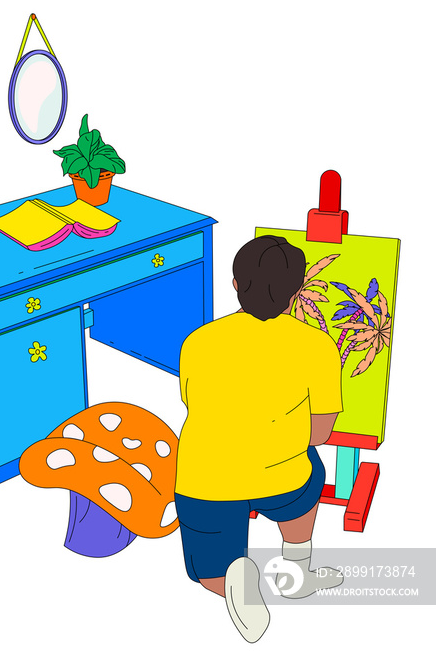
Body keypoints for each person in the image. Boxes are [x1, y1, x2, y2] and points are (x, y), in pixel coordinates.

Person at [174, 235, 344, 643]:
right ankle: (297, 571)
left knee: (210, 573)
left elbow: (191, 403)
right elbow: (320, 433)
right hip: (282, 478)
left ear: (235, 283)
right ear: (299, 290)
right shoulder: (318, 346)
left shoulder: (198, 340)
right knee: (311, 472)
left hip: (204, 480)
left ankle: (233, 580)